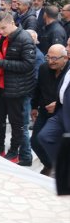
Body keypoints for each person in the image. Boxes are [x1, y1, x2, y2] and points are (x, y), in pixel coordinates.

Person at [0, 12, 36, 166]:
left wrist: (2, 63)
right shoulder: (6, 38)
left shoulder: (24, 38)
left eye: (3, 28)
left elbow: (28, 65)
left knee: (16, 123)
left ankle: (14, 152)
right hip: (3, 86)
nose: (1, 32)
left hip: (17, 89)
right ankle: (0, 147)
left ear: (12, 23)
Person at [31, 45, 69, 176]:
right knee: (35, 141)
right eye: (48, 57)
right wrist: (34, 106)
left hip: (62, 113)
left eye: (54, 58)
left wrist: (59, 104)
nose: (50, 61)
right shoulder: (43, 68)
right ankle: (49, 165)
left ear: (65, 58)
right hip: (44, 110)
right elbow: (38, 88)